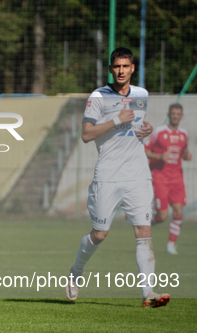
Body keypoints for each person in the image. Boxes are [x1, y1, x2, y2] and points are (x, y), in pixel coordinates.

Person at [65, 47, 170, 308]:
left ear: (133, 68)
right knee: (100, 234)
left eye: (125, 66)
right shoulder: (98, 96)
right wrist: (115, 120)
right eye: (116, 67)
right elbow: (87, 134)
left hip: (137, 174)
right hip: (108, 175)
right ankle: (75, 272)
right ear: (111, 69)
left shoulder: (141, 94)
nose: (121, 71)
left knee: (143, 232)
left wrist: (147, 129)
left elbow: (136, 128)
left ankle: (149, 294)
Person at [145, 103, 192, 254]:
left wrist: (187, 156)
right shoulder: (158, 132)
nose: (175, 116)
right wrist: (158, 156)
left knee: (178, 211)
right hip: (160, 177)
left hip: (177, 178)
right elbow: (144, 150)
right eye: (173, 113)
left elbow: (184, 152)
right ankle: (145, 224)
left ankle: (170, 245)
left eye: (178, 114)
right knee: (163, 216)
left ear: (181, 116)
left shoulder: (184, 134)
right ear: (168, 114)